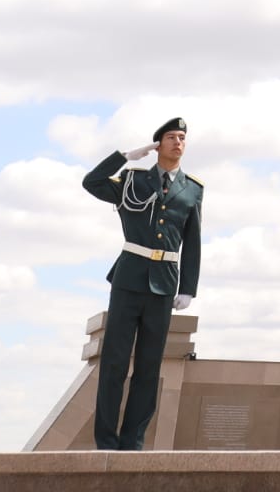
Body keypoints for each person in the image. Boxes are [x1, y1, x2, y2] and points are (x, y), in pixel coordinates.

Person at [82, 117, 203, 450]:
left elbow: (193, 241)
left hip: (164, 284)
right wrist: (124, 156)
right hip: (129, 280)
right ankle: (106, 442)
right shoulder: (133, 179)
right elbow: (90, 182)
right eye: (171, 137)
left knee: (149, 368)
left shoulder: (193, 189)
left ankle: (132, 442)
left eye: (182, 137)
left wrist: (188, 287)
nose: (178, 142)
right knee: (115, 364)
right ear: (157, 145)